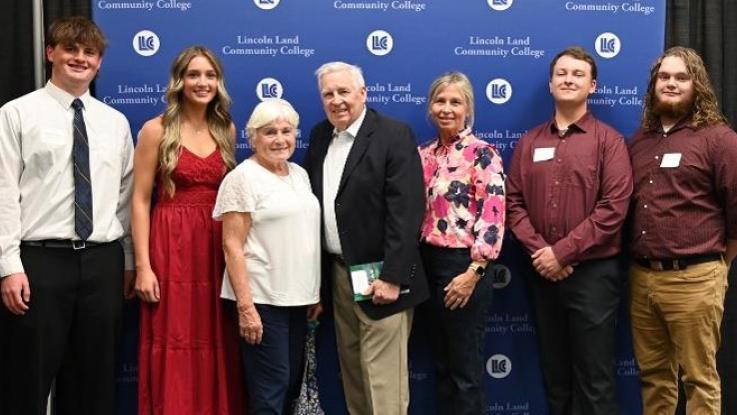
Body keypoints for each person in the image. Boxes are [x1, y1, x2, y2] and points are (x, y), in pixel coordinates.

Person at [0, 16, 134, 414]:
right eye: (70, 49)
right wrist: (8, 265)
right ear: (50, 53)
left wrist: (126, 260)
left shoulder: (115, 122)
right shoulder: (16, 114)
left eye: (89, 52)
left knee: (94, 380)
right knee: (27, 377)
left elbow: (124, 198)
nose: (80, 58)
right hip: (39, 262)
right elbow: (4, 191)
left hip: (102, 263)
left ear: (99, 63)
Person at [506, 46, 632, 415]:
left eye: (578, 74)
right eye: (561, 73)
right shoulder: (530, 142)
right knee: (555, 376)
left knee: (595, 378)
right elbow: (513, 203)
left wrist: (561, 253)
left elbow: (613, 209)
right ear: (550, 84)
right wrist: (543, 254)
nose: (568, 79)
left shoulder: (608, 141)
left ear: (592, 86)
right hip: (542, 273)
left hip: (593, 276)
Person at [304, 61, 429, 415]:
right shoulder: (318, 136)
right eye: (328, 94)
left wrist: (392, 276)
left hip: (382, 277)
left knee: (384, 382)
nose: (336, 100)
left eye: (344, 92)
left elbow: (407, 212)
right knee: (354, 375)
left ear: (363, 93)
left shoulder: (392, 133)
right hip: (340, 275)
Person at [132, 45, 244, 414]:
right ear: (179, 81)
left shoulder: (225, 127)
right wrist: (144, 267)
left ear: (219, 82)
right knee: (175, 335)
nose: (202, 82)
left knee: (216, 335)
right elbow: (140, 201)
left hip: (215, 248)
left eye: (210, 75)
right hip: (170, 248)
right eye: (194, 75)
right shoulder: (155, 130)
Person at [628, 46, 737, 415]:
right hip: (642, 280)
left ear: (697, 85)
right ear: (653, 85)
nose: (671, 84)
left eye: (680, 77)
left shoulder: (718, 139)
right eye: (664, 77)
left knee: (699, 379)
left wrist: (720, 265)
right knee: (655, 376)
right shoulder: (639, 141)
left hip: (695, 278)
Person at [214, 98, 322, 415]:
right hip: (262, 300)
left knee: (288, 385)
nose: (279, 139)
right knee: (269, 390)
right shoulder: (241, 179)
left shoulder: (299, 174)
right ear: (253, 137)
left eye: (286, 131)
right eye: (269, 132)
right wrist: (246, 308)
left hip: (297, 300)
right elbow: (232, 245)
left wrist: (313, 292)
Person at [416, 71, 505, 415]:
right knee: (442, 365)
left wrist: (475, 272)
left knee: (465, 371)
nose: (447, 108)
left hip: (463, 267)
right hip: (427, 265)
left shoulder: (482, 154)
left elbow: (493, 216)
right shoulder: (423, 156)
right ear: (430, 107)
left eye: (456, 101)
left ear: (468, 108)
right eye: (440, 101)